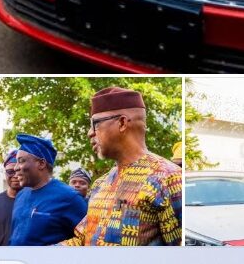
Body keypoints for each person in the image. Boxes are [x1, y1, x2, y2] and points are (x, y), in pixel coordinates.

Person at [60, 86, 182, 246]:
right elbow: (82, 240)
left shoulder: (169, 179)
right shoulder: (100, 184)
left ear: (122, 123)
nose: (90, 133)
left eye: (95, 124)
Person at [9, 134, 87, 245]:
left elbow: (88, 239)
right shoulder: (20, 195)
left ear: (41, 163)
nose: (15, 167)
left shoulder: (70, 198)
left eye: (21, 161)